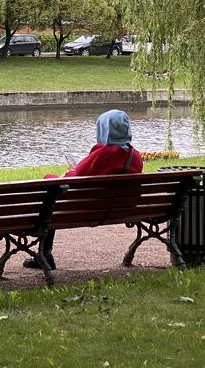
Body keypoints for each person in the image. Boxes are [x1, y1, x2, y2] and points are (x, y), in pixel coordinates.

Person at [24, 108, 144, 270]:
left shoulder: (102, 154)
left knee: (50, 188)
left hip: (89, 208)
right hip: (121, 209)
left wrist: (60, 175)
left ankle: (45, 254)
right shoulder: (135, 156)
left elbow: (76, 179)